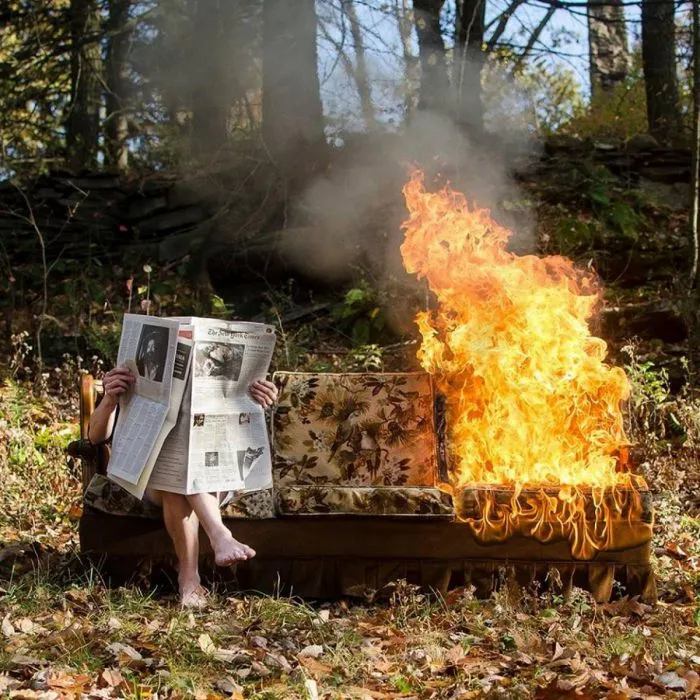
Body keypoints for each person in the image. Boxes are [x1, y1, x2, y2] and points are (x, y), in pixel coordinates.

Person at [88, 366, 278, 608]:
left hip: (214, 472)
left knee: (178, 478)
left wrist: (259, 400)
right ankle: (220, 535)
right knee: (172, 469)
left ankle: (189, 579)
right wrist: (109, 400)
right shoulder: (130, 373)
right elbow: (94, 437)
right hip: (151, 479)